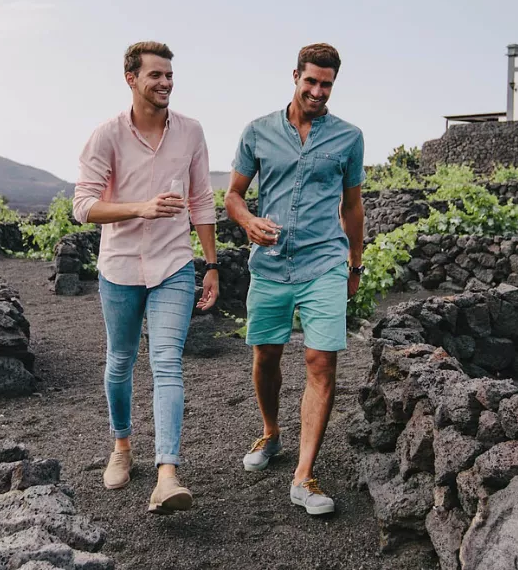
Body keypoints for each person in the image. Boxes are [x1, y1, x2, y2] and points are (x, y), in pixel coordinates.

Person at [72, 41, 220, 514]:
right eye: (155, 75)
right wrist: (141, 207)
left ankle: (167, 474)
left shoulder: (191, 132)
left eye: (169, 75)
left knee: (167, 363)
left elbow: (201, 200)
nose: (165, 83)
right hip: (118, 269)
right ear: (131, 79)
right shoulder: (106, 137)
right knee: (120, 361)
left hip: (174, 264)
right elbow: (82, 207)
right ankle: (121, 447)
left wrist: (211, 263)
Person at [225, 43, 365, 516]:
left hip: (325, 260)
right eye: (311, 81)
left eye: (327, 84)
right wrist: (247, 222)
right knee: (266, 354)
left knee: (320, 361)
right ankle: (270, 432)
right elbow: (234, 196)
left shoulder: (349, 138)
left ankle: (304, 475)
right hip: (270, 264)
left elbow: (352, 207)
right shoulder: (258, 132)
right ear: (295, 77)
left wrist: (355, 265)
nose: (318, 91)